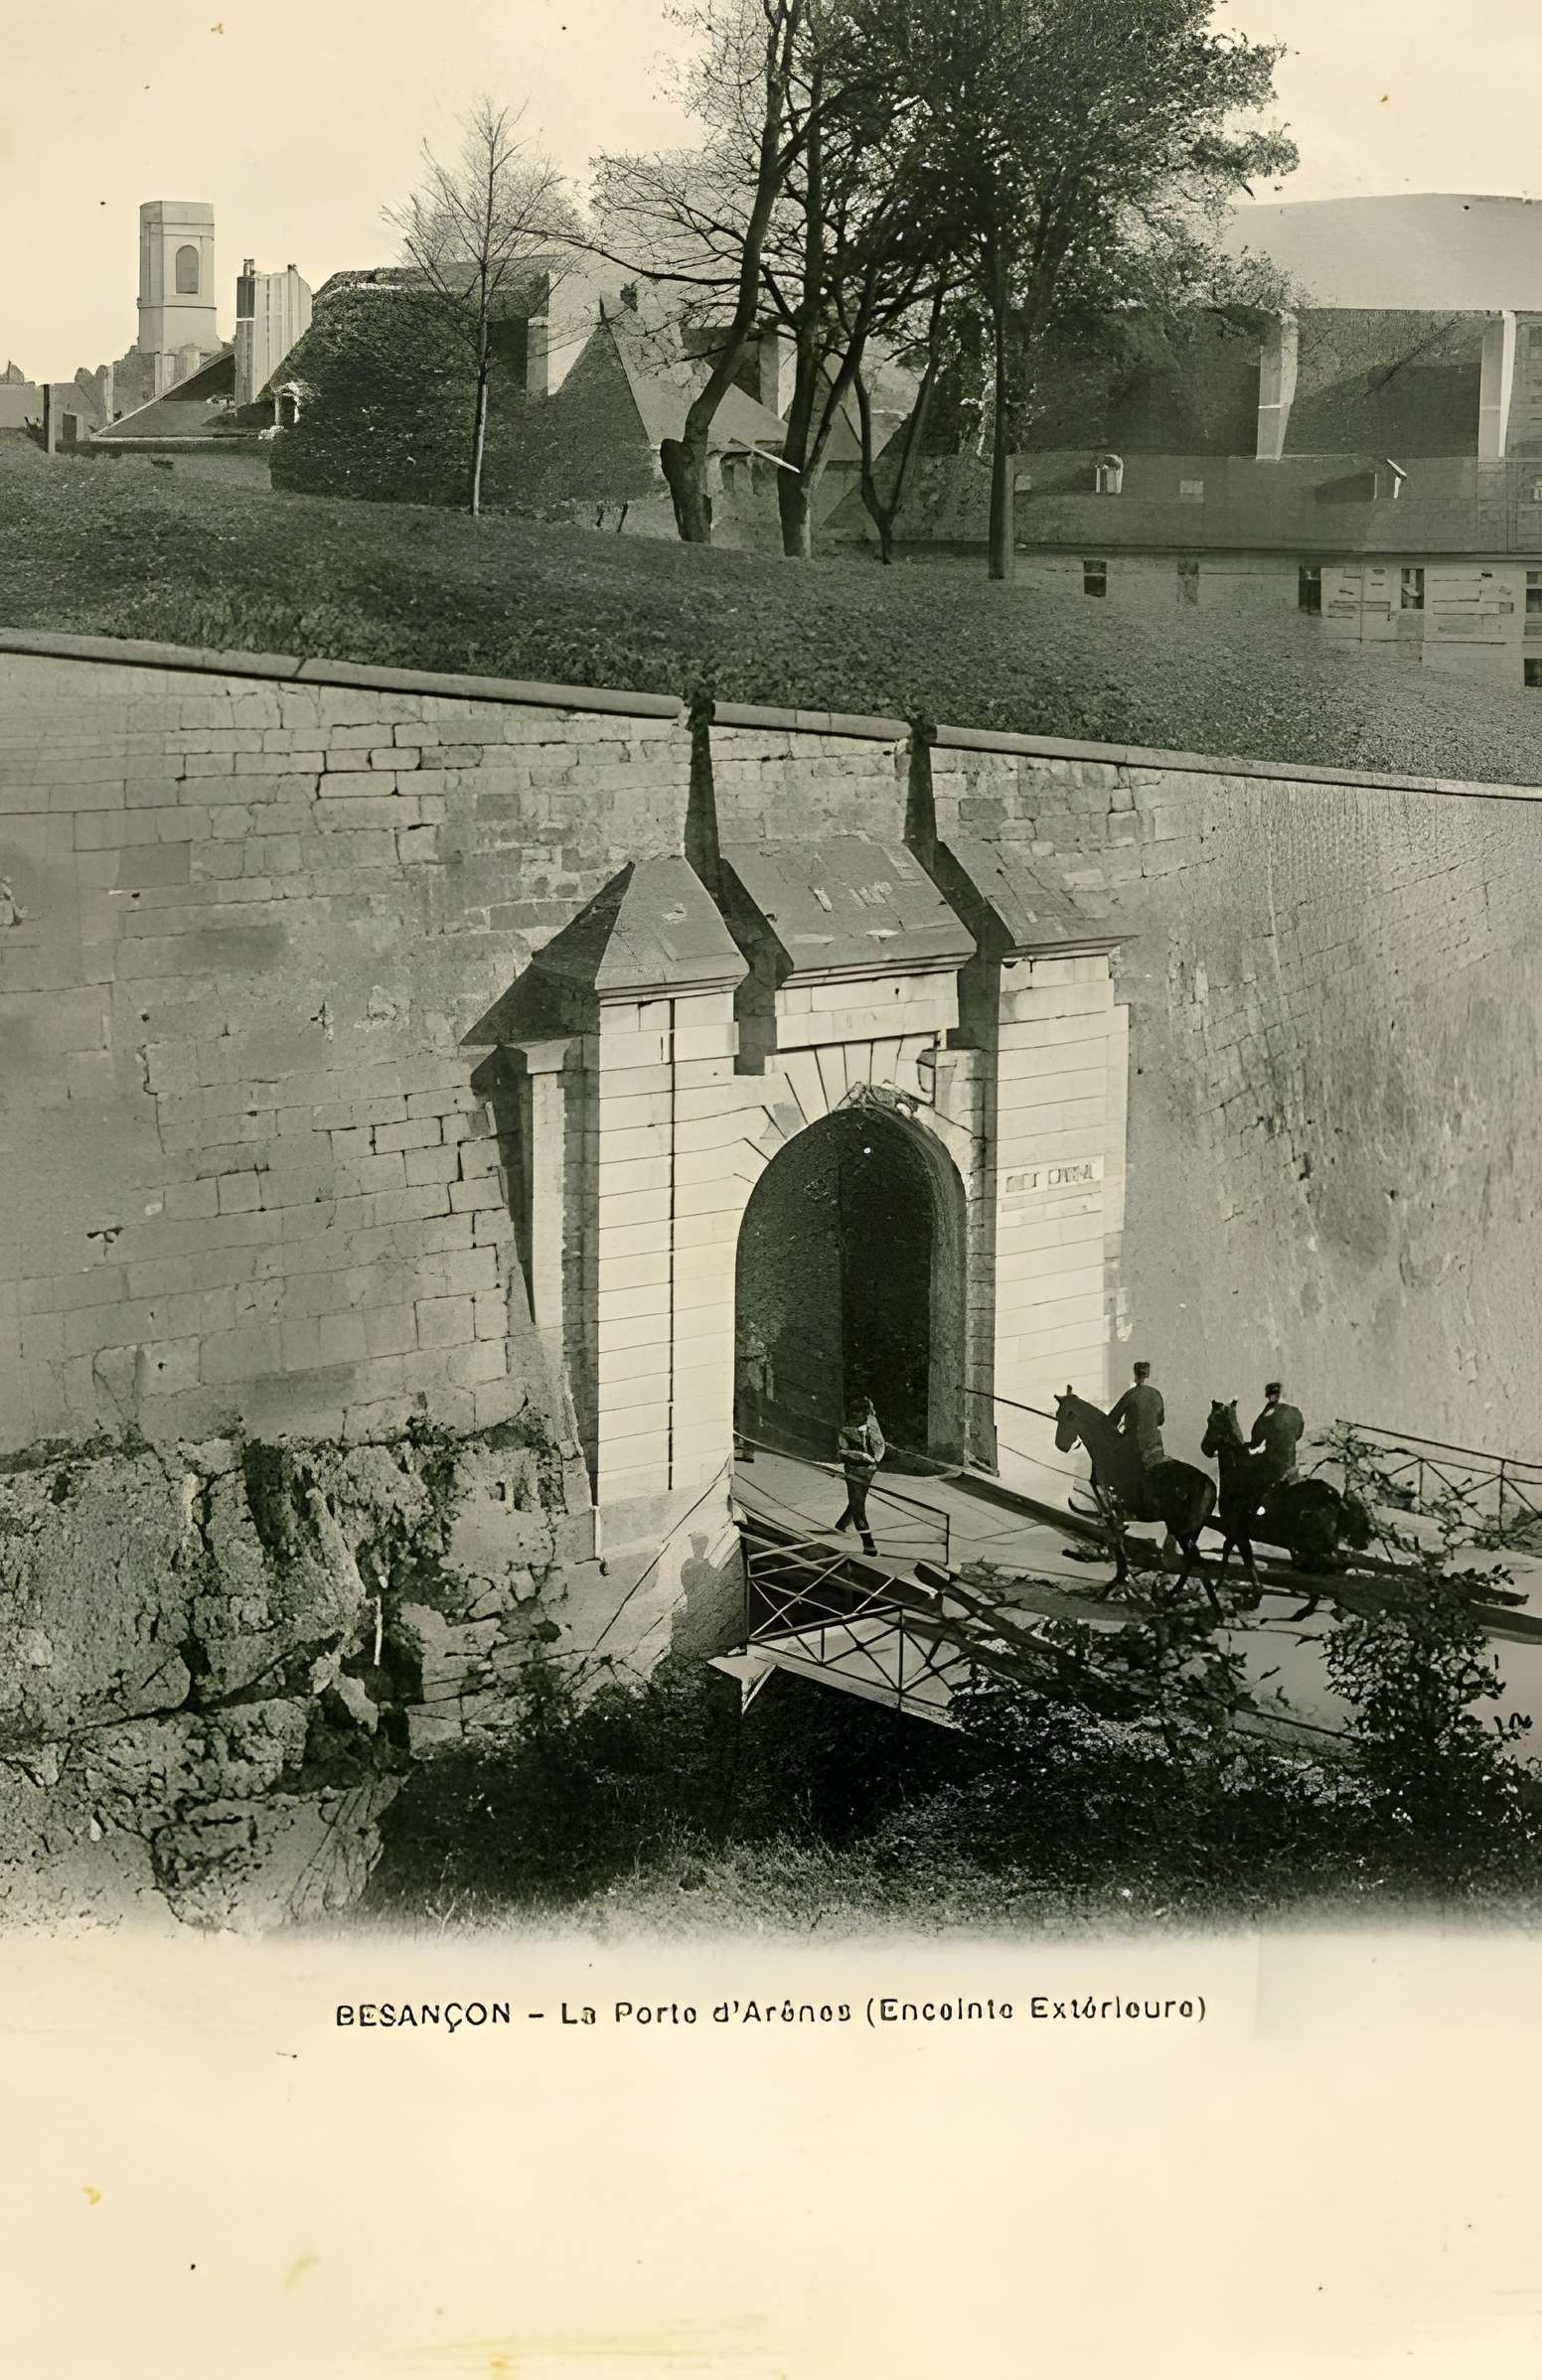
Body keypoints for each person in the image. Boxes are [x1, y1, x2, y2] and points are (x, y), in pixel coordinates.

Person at [832, 1395, 885, 1559]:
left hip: (864, 1470)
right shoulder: (847, 1429)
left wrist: (872, 1459)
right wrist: (864, 1457)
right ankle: (841, 1524)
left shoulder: (871, 1423)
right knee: (857, 1499)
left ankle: (868, 1545)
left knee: (858, 1506)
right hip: (858, 1467)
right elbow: (842, 1452)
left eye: (866, 1413)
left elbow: (879, 1446)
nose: (868, 1416)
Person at [1109, 1361, 1165, 1468]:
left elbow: (1112, 1419)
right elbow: (1161, 1421)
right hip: (1156, 1447)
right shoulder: (1157, 1394)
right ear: (1147, 1375)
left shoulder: (1131, 1394)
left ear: (1135, 1374)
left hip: (1134, 1447)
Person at [1250, 1382, 1305, 1485]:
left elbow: (1257, 1434)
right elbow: (1298, 1433)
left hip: (1272, 1463)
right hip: (1290, 1461)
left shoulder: (1268, 1413)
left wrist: (1253, 1447)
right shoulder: (1295, 1412)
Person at [735, 1320, 774, 1463]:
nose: (752, 1333)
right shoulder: (739, 1343)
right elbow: (741, 1353)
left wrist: (769, 1391)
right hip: (740, 1385)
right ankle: (735, 1447)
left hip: (755, 1385)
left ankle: (749, 1452)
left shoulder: (762, 1345)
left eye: (754, 1331)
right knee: (737, 1417)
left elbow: (768, 1367)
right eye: (750, 1331)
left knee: (752, 1420)